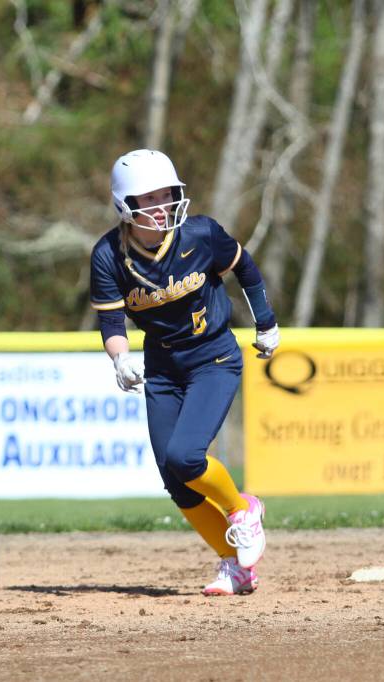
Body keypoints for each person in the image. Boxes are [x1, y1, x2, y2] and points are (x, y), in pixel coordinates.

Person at [89, 149, 281, 596]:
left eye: (167, 195)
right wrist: (119, 358)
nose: (161, 207)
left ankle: (243, 509)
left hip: (213, 358)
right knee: (174, 480)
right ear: (124, 205)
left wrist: (266, 322)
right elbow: (112, 324)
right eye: (148, 199)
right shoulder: (108, 256)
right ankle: (235, 567)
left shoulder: (201, 234)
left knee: (186, 456)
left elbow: (245, 269)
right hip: (162, 367)